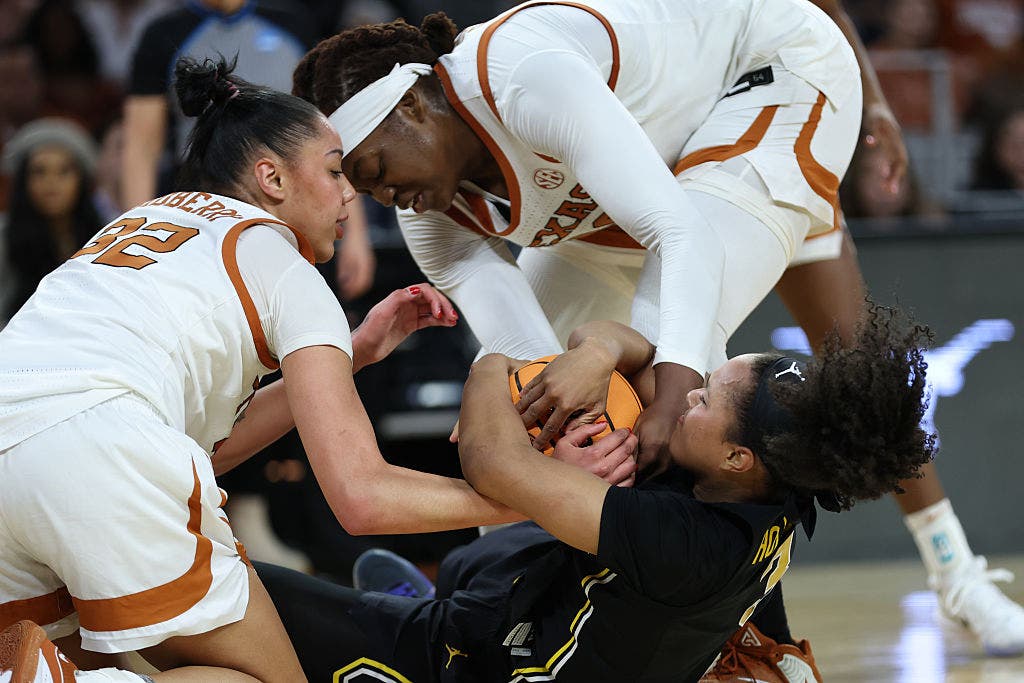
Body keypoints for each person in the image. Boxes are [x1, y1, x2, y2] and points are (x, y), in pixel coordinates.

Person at [0, 57, 531, 683]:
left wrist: (353, 353)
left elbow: (204, 447)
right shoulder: (283, 264)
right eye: (334, 170)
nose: (349, 192)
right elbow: (363, 498)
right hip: (98, 449)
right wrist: (529, 498)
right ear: (271, 178)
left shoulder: (140, 222)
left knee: (107, 663)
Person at [293, 0, 863, 471]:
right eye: (365, 192)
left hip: (772, 66)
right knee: (539, 421)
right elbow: (532, 361)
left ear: (413, 108)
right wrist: (558, 441)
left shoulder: (522, 77)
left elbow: (681, 233)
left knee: (672, 398)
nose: (385, 199)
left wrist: (665, 403)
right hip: (664, 165)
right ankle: (512, 593)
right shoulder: (432, 219)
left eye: (375, 171)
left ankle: (743, 598)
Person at [252, 303, 935, 682]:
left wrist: (496, 365)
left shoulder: (685, 543)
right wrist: (595, 355)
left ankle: (405, 623)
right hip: (557, 604)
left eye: (705, 399)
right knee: (473, 561)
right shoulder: (778, 480)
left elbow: (493, 466)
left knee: (249, 594)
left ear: (736, 453)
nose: (687, 392)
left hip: (481, 665)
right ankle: (423, 595)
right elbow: (626, 343)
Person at [1, 117, 102, 321]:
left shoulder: (104, 238)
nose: (51, 183)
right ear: (23, 181)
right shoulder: (3, 239)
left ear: (81, 180)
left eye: (64, 171)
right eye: (39, 172)